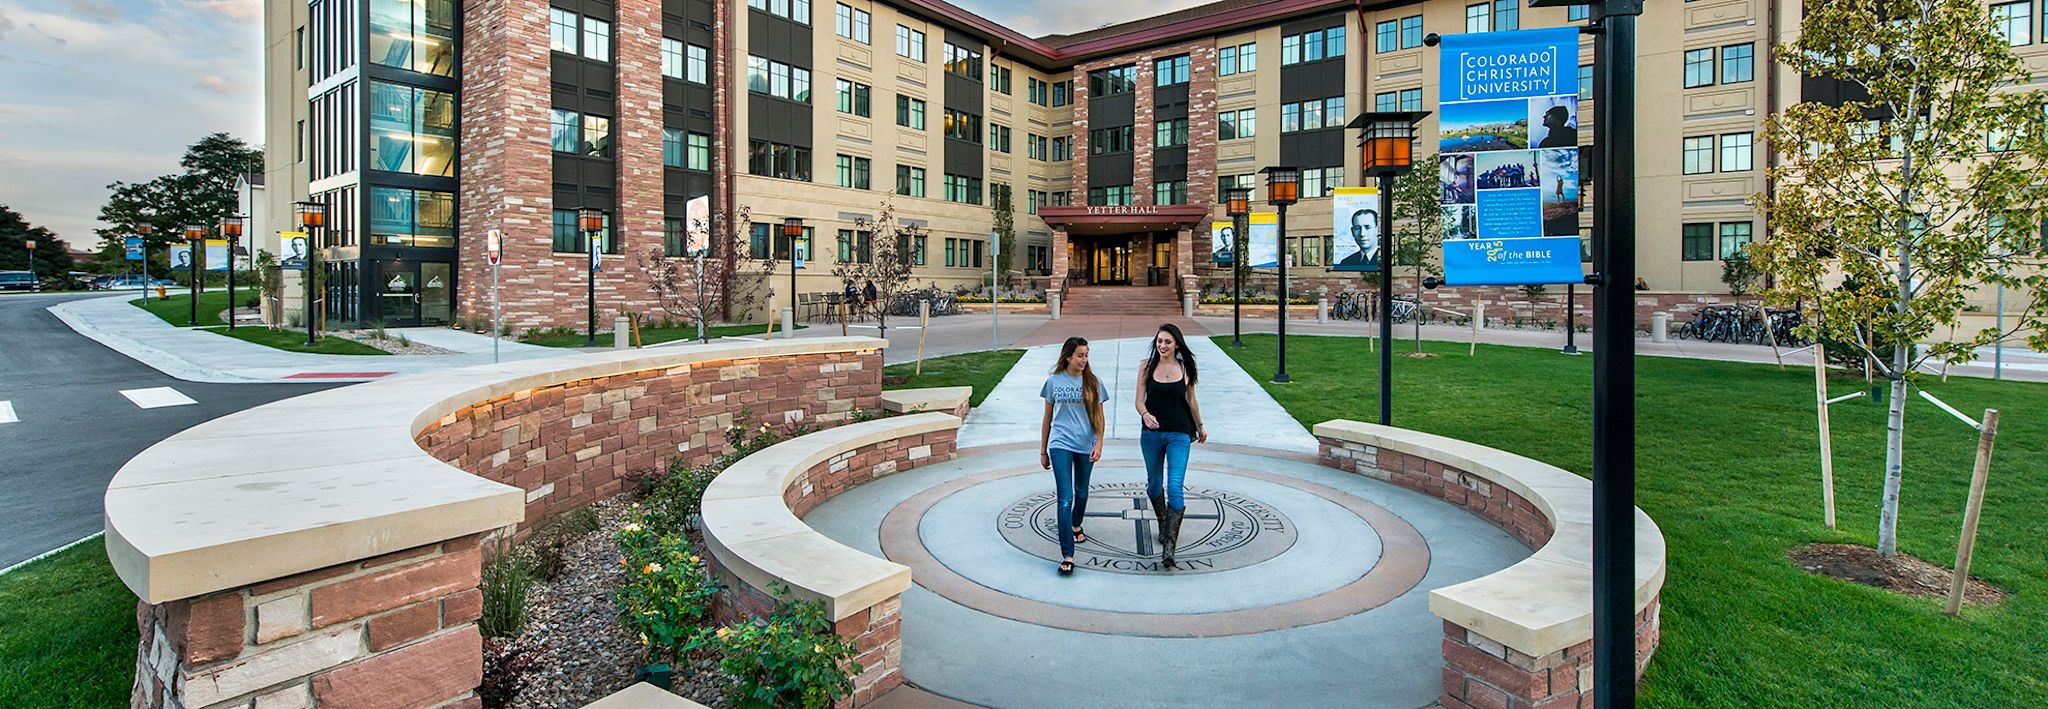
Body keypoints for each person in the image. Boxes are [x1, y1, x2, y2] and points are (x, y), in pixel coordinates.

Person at [1134, 324, 1205, 569]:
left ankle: (1169, 548)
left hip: (1179, 433)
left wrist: (1200, 426)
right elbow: (1138, 400)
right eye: (1159, 341)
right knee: (1154, 484)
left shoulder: (1185, 368)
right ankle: (1164, 521)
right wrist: (1144, 414)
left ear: (1177, 344)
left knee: (1174, 486)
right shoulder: (1146, 366)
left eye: (1167, 342)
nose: (1162, 346)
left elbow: (1191, 400)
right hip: (1151, 435)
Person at [1040, 337, 1107, 576]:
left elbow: (1099, 418)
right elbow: (1047, 418)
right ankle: (1067, 555)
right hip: (1060, 444)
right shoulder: (1053, 382)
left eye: (1086, 355)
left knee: (1082, 492)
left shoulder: (1093, 382)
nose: (1084, 359)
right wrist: (1043, 449)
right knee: (1065, 498)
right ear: (1068, 356)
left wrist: (1099, 444)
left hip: (1085, 445)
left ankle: (1076, 524)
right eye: (1080, 355)